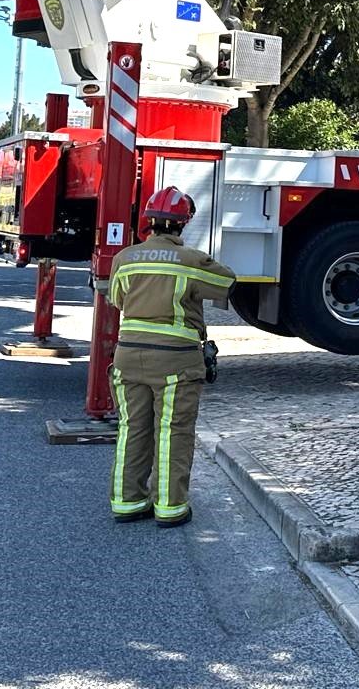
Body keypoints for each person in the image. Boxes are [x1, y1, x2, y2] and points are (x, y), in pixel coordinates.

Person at [107, 187, 235, 527]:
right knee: (173, 431)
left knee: (132, 429)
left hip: (127, 358)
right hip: (176, 362)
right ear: (184, 223)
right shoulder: (192, 260)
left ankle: (127, 501)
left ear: (149, 222)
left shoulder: (124, 259)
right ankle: (170, 507)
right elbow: (227, 283)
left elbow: (117, 299)